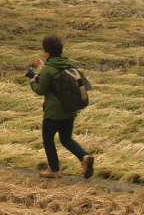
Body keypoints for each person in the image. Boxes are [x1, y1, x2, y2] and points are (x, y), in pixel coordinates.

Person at [27, 34, 94, 179]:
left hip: (53, 113)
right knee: (66, 139)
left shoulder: (48, 69)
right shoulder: (67, 64)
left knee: (48, 138)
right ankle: (84, 157)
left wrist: (33, 80)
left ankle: (54, 169)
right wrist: (43, 69)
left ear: (47, 52)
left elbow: (41, 90)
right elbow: (54, 76)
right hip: (69, 110)